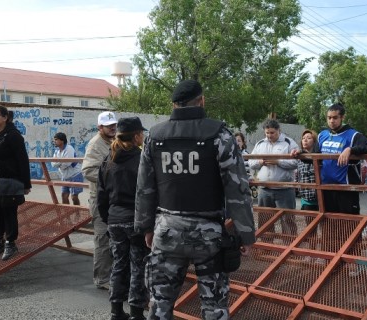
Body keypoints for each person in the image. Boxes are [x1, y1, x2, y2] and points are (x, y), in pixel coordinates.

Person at [135, 80, 256, 319]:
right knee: (214, 308)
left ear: (173, 104)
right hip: (209, 235)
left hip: (166, 230)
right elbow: (237, 190)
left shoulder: (155, 136)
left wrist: (145, 228)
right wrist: (246, 234)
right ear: (202, 100)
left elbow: (144, 188)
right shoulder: (219, 134)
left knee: (159, 304)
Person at [98, 117, 149, 320]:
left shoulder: (108, 159)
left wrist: (107, 218)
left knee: (119, 264)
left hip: (114, 219)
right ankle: (137, 312)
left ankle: (116, 311)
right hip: (135, 220)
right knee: (138, 265)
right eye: (141, 133)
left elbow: (101, 194)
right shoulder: (141, 158)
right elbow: (148, 192)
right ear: (136, 136)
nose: (143, 136)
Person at [0, 104, 31, 261]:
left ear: (5, 117)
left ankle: (11, 242)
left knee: (8, 212)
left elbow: (22, 160)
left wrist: (25, 184)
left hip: (8, 181)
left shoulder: (13, 136)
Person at [82, 111, 117, 290]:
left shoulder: (114, 142)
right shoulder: (96, 144)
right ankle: (102, 278)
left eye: (114, 124)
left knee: (114, 239)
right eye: (108, 125)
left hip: (113, 199)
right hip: (100, 200)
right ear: (99, 127)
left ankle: (112, 275)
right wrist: (114, 177)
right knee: (103, 239)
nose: (112, 127)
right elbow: (88, 171)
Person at [318, 103, 367, 214]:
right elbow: (313, 155)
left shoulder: (353, 135)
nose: (331, 121)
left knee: (349, 224)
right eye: (329, 118)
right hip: (326, 187)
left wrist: (350, 149)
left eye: (335, 117)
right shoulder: (322, 135)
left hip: (346, 188)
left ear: (342, 117)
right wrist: (300, 153)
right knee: (329, 222)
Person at [249, 119, 299, 233]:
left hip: (284, 189)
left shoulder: (289, 142)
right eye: (267, 133)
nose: (269, 135)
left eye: (272, 132)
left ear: (278, 130)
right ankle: (267, 247)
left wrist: (278, 162)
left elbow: (296, 163)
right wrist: (260, 162)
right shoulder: (260, 144)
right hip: (264, 189)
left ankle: (289, 246)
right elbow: (251, 162)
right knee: (265, 221)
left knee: (288, 220)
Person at [52, 132, 83, 205]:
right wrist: (60, 163)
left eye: (56, 139)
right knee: (64, 196)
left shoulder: (69, 148)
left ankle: (77, 213)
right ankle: (67, 214)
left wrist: (59, 164)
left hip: (75, 175)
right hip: (65, 176)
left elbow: (67, 163)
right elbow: (53, 163)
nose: (54, 141)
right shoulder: (57, 151)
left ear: (62, 141)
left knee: (74, 197)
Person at [293, 129, 320, 210]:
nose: (305, 140)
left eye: (309, 138)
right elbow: (298, 175)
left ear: (314, 141)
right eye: (303, 138)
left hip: (318, 198)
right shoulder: (299, 157)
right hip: (305, 198)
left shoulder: (319, 156)